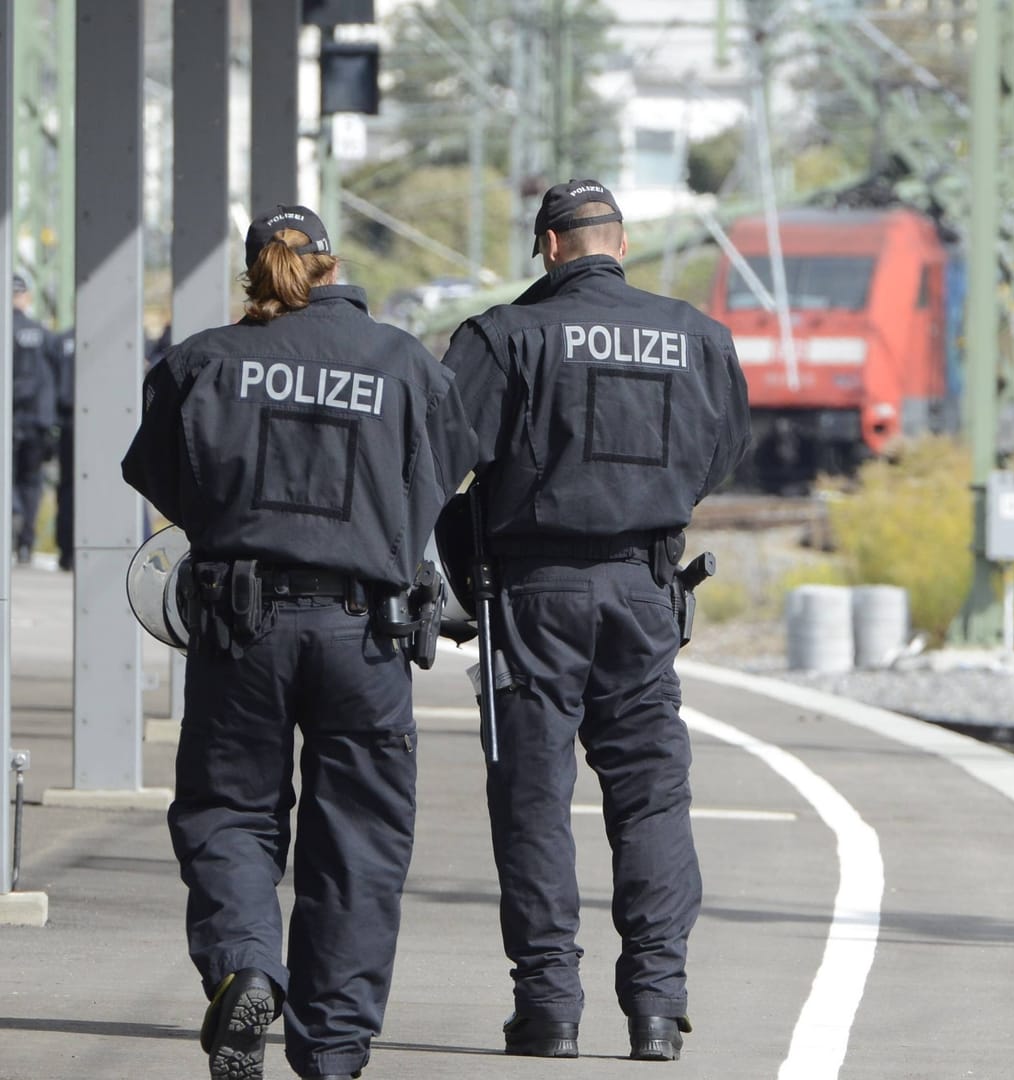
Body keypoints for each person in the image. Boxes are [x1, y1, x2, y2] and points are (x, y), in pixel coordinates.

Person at [122, 205, 481, 1080]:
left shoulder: (203, 361)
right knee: (357, 837)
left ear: (257, 274)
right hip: (366, 634)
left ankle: (247, 964)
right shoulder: (401, 363)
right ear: (332, 266)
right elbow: (446, 474)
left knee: (230, 813)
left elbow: (162, 481)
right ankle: (333, 1046)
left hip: (240, 627)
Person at [441, 179, 750, 1062]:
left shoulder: (505, 337)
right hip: (646, 594)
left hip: (531, 598)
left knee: (534, 801)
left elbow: (435, 456)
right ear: (620, 242)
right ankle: (657, 1005)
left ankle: (549, 1009)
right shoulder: (696, 336)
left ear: (548, 247)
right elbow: (722, 451)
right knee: (651, 795)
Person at [12, 274, 55, 564]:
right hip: (39, 422)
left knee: (9, 480)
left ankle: (11, 519)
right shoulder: (43, 333)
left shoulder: (5, 330)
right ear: (25, 297)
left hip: (10, 418)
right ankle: (26, 541)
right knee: (31, 482)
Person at [51, 326, 73, 570]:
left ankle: (66, 551)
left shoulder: (61, 340)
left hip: (67, 422)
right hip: (104, 422)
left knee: (67, 488)